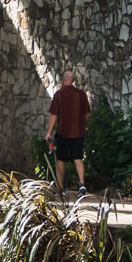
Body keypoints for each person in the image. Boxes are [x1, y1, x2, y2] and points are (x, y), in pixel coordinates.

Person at [47, 70, 91, 198]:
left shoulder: (59, 94)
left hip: (63, 133)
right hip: (78, 132)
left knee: (61, 159)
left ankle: (60, 187)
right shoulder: (81, 94)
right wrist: (84, 124)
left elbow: (54, 114)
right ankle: (82, 184)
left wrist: (49, 132)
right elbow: (87, 114)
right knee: (77, 157)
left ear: (62, 79)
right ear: (73, 81)